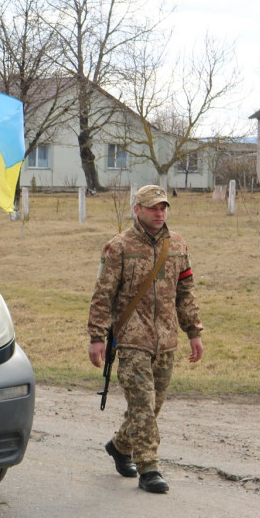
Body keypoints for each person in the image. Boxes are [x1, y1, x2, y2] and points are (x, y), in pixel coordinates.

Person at [87, 185, 204, 495]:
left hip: (166, 341)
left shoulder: (177, 246)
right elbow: (102, 295)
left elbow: (185, 292)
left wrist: (193, 332)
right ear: (137, 210)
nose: (159, 212)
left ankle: (119, 446)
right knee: (142, 404)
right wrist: (97, 337)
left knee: (152, 407)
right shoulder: (118, 247)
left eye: (163, 207)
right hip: (130, 340)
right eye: (153, 207)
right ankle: (149, 468)